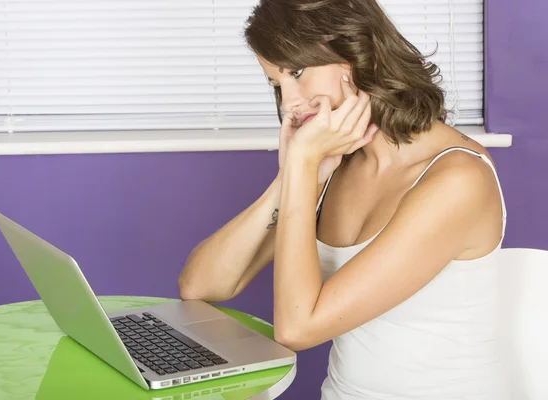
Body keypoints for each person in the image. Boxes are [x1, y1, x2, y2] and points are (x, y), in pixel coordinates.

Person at [178, 0, 509, 398]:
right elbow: (200, 286)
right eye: (276, 84)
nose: (289, 103)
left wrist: (302, 168)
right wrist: (292, 178)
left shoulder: (457, 180)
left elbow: (297, 328)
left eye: (298, 73)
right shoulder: (335, 164)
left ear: (353, 51)